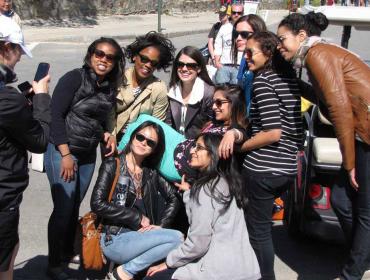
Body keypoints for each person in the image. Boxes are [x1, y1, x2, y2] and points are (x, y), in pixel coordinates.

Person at [277, 12, 370, 280]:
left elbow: (340, 110)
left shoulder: (317, 55)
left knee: (364, 209)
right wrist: (294, 85)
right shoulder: (316, 54)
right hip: (360, 134)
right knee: (341, 200)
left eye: (283, 39)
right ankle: (359, 253)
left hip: (365, 135)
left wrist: (349, 164)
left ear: (302, 36)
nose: (280, 45)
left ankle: (351, 272)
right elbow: (325, 101)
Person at [44, 37, 125, 280]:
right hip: (63, 151)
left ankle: (68, 250)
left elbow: (94, 120)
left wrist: (106, 134)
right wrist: (65, 153)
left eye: (110, 57)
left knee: (74, 206)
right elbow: (55, 116)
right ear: (90, 55)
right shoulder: (74, 78)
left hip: (88, 154)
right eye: (99, 54)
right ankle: (54, 263)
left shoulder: (109, 87)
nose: (103, 60)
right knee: (63, 207)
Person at [143, 133, 261, 280]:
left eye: (198, 148)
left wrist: (169, 262)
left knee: (151, 276)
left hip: (219, 272)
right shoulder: (229, 183)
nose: (192, 151)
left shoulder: (205, 190)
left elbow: (198, 243)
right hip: (246, 268)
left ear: (213, 153)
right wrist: (189, 193)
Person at [240, 32, 302, 280]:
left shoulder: (263, 81)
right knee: (262, 229)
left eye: (250, 52)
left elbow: (272, 132)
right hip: (286, 167)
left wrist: (240, 148)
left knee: (258, 233)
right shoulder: (288, 78)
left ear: (268, 53)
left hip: (263, 169)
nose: (246, 58)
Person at [91, 121, 182, 280]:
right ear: (133, 137)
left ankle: (124, 272)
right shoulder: (113, 164)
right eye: (140, 137)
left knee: (178, 239)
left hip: (140, 238)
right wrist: (136, 217)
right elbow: (97, 203)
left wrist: (160, 226)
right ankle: (125, 273)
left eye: (150, 142)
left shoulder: (151, 172)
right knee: (178, 238)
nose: (143, 143)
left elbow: (173, 198)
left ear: (154, 150)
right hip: (114, 237)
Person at [0, 17, 50, 280]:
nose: (19, 57)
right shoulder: (6, 100)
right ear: (6, 48)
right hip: (3, 195)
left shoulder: (8, 98)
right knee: (6, 258)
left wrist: (20, 101)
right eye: (18, 50)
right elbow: (40, 140)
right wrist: (41, 96)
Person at [114, 31, 175, 142]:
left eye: (153, 63)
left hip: (138, 141)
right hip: (113, 137)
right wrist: (111, 139)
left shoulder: (159, 88)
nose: (148, 65)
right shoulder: (118, 78)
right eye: (144, 59)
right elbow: (107, 113)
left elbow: (156, 125)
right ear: (134, 57)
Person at [166, 46, 214, 139]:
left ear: (199, 68)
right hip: (173, 143)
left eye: (190, 65)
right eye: (180, 64)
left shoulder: (209, 93)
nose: (184, 69)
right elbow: (168, 123)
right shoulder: (172, 91)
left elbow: (212, 127)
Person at [233, 14, 267, 114]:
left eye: (244, 34)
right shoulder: (244, 59)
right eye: (235, 34)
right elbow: (241, 89)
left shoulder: (267, 63)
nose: (238, 38)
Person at [213, 3, 244, 84]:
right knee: (221, 91)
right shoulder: (224, 28)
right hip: (224, 65)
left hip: (239, 66)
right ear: (230, 13)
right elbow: (218, 45)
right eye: (234, 12)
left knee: (236, 93)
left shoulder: (246, 28)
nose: (236, 15)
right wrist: (217, 62)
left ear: (243, 13)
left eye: (239, 13)